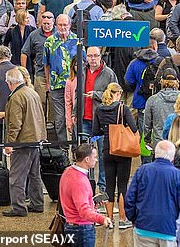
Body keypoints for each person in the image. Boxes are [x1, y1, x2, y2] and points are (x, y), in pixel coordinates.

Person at [123, 140, 180, 246]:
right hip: (169, 230)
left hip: (143, 227)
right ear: (172, 156)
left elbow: (129, 198)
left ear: (155, 153)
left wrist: (134, 218)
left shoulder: (142, 171)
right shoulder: (179, 176)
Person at [92, 83, 138, 230]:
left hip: (107, 150)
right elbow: (134, 127)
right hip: (122, 151)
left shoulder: (99, 109)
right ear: (117, 94)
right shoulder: (122, 109)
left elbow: (95, 131)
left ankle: (109, 219)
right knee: (122, 185)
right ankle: (123, 220)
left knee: (109, 186)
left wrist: (107, 129)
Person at [2, 68, 47, 217]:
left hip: (23, 142)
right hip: (35, 139)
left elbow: (15, 124)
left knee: (16, 176)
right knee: (35, 175)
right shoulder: (31, 92)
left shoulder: (16, 97)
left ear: (9, 83)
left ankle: (19, 207)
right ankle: (38, 203)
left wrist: (9, 144)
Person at [79, 46, 117, 192]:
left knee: (102, 155)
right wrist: (75, 114)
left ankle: (102, 186)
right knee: (84, 154)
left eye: (95, 55)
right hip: (84, 119)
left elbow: (115, 96)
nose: (93, 59)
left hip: (101, 122)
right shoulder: (82, 72)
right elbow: (77, 94)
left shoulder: (108, 74)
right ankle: (87, 184)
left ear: (101, 56)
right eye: (90, 56)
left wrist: (97, 95)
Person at [59, 144, 112, 247]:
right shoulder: (80, 181)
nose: (96, 160)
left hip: (70, 225)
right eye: (95, 157)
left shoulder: (68, 172)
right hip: (82, 229)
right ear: (87, 159)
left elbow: (74, 200)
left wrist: (91, 203)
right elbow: (83, 211)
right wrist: (102, 219)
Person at [125, 38, 161, 162]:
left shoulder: (134, 63)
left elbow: (128, 81)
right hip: (158, 102)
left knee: (144, 134)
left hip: (141, 102)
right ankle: (158, 159)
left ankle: (146, 162)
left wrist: (138, 88)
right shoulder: (160, 62)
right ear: (155, 47)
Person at [44, 14, 79, 141]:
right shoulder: (49, 42)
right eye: (60, 25)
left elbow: (83, 63)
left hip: (74, 84)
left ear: (70, 25)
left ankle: (76, 148)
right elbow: (46, 65)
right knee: (59, 119)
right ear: (56, 25)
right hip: (56, 85)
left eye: (65, 25)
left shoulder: (77, 40)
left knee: (74, 116)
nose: (63, 27)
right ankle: (63, 148)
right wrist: (48, 83)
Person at [21, 11, 55, 120]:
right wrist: (24, 72)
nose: (46, 26)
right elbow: (24, 52)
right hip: (40, 73)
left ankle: (52, 124)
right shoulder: (34, 35)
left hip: (55, 74)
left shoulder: (58, 34)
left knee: (53, 102)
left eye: (48, 23)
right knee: (41, 101)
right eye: (44, 23)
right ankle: (41, 122)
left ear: (53, 22)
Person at [144, 68, 180, 146]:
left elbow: (147, 123)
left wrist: (147, 139)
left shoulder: (152, 100)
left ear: (161, 81)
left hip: (160, 143)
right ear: (177, 81)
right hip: (179, 142)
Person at [3, 10, 35, 74]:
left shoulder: (32, 30)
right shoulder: (11, 31)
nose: (28, 20)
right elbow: (5, 45)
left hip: (29, 62)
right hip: (15, 60)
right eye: (26, 18)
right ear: (21, 18)